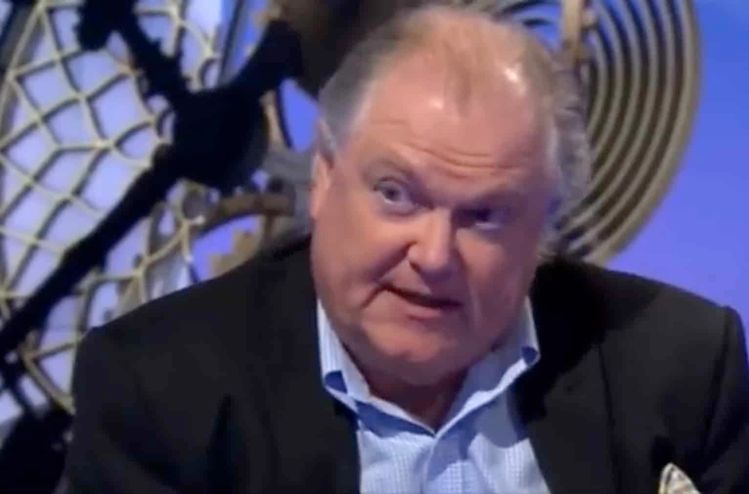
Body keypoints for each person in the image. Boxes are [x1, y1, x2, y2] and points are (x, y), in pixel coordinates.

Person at [62, 5, 749, 494]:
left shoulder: (681, 366)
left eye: (485, 215)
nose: (434, 255)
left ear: (544, 227)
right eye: (396, 195)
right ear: (324, 177)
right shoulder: (158, 390)